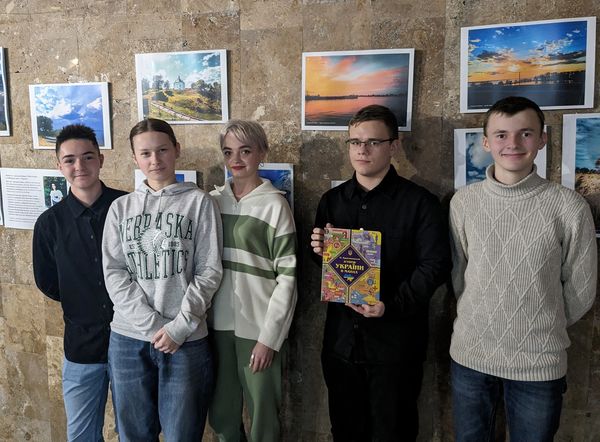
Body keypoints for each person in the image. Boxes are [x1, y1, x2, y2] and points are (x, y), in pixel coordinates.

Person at [449, 96, 597, 441]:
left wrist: (539, 324)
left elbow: (582, 287)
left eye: (525, 134)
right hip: (471, 355)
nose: (513, 144)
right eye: (501, 135)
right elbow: (459, 274)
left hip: (538, 363)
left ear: (542, 139)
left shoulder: (569, 207)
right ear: (486, 142)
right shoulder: (464, 202)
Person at [310, 104, 451, 441]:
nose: (362, 150)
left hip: (395, 347)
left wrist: (390, 304)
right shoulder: (332, 201)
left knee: (394, 433)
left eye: (373, 142)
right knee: (345, 432)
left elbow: (435, 267)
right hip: (342, 344)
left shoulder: (421, 203)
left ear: (394, 146)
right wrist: (319, 252)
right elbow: (329, 268)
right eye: (355, 142)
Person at [102, 118, 223, 441]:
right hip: (128, 339)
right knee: (134, 434)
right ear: (135, 158)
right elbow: (114, 272)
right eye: (145, 153)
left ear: (176, 150)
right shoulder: (120, 209)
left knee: (182, 434)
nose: (155, 160)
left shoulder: (200, 203)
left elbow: (209, 270)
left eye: (162, 150)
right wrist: (154, 326)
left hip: (186, 339)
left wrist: (178, 328)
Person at [32, 124, 126, 441]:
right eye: (69, 160)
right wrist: (83, 300)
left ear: (101, 159)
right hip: (81, 346)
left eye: (87, 157)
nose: (79, 166)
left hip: (132, 343)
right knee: (81, 435)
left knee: (136, 432)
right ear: (59, 166)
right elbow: (47, 282)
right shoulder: (49, 224)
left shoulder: (127, 207)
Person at [208, 120, 297, 442]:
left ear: (262, 152)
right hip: (217, 327)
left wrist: (269, 338)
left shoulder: (275, 205)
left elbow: (288, 278)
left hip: (259, 329)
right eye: (228, 152)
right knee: (221, 414)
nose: (236, 159)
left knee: (263, 416)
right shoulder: (212, 201)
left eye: (245, 151)